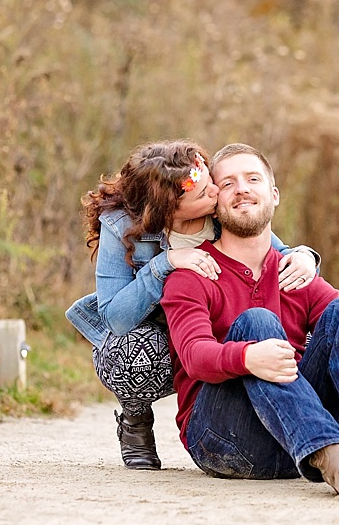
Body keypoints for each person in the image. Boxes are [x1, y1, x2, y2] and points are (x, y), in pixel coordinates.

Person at [160, 143, 339, 500]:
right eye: (229, 183)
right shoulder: (193, 272)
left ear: (274, 194)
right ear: (215, 203)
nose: (243, 189)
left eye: (253, 179)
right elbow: (194, 355)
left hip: (296, 443)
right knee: (257, 323)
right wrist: (247, 357)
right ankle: (332, 455)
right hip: (226, 440)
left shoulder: (294, 271)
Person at [68, 139, 320, 470]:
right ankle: (135, 419)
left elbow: (274, 248)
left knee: (302, 339)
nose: (216, 193)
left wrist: (304, 256)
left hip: (209, 327)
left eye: (211, 185)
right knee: (130, 355)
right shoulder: (121, 225)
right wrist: (166, 263)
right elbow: (115, 318)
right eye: (203, 194)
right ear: (168, 211)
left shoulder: (218, 208)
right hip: (152, 332)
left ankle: (268, 425)